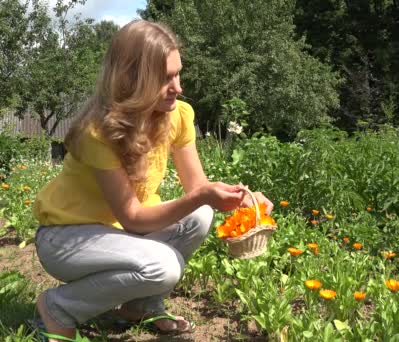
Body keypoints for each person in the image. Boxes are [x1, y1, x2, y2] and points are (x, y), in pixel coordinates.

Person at [32, 20, 273, 341]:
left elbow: (198, 190)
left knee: (200, 215)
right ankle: (59, 307)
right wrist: (201, 197)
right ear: (131, 80)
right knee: (163, 267)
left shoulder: (177, 115)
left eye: (177, 73)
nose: (178, 87)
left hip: (118, 235)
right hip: (67, 239)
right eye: (165, 78)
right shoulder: (98, 133)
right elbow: (132, 217)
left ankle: (139, 306)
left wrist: (243, 200)